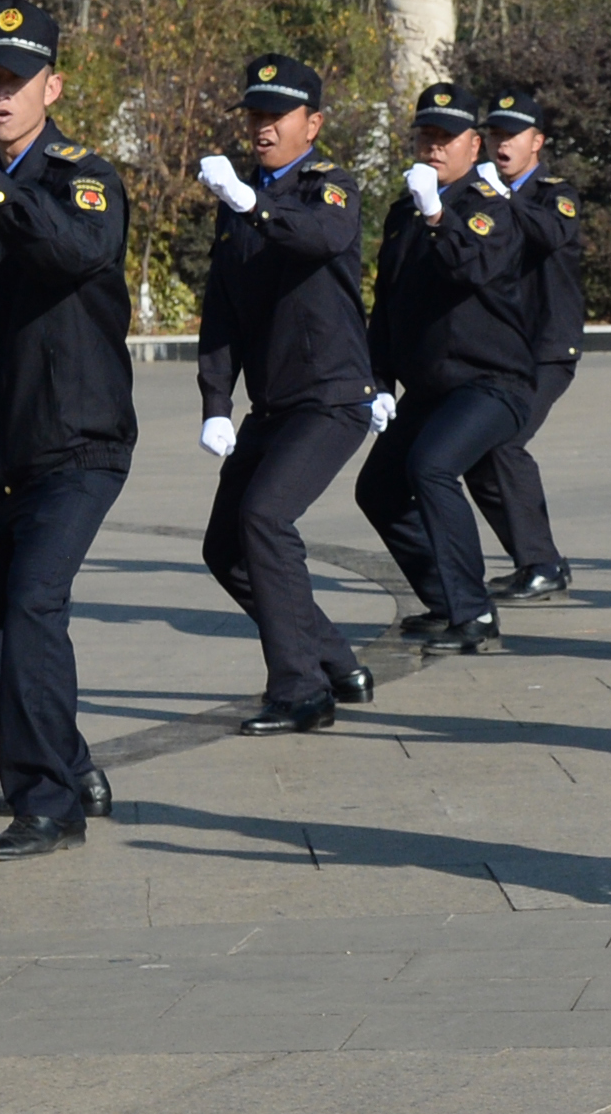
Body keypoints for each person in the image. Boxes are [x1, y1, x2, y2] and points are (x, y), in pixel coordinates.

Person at [0, 0, 134, 859]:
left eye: (15, 79)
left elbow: (71, 255)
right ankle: (71, 763)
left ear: (53, 84)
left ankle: (48, 803)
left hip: (79, 442)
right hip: (7, 448)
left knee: (33, 604)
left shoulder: (82, 177)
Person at [191, 55, 378, 734]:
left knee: (266, 519)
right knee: (224, 547)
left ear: (314, 123)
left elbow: (321, 239)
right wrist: (216, 401)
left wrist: (251, 203)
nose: (262, 128)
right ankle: (331, 657)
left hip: (331, 397)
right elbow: (223, 313)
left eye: (277, 116)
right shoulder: (237, 206)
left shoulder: (331, 187)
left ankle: (300, 688)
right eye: (255, 115)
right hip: (272, 405)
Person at [352, 80, 538, 654]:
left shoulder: (489, 207)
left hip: (492, 381)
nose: (434, 147)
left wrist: (438, 214)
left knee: (431, 466)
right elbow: (388, 305)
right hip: (431, 387)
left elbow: (472, 271)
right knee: (378, 489)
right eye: (426, 135)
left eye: (447, 137)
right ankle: (445, 598)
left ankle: (474, 614)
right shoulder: (401, 212)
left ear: (474, 145)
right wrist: (377, 383)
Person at [464, 90, 587, 603]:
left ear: (537, 142)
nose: (501, 144)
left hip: (547, 349)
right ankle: (536, 559)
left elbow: (551, 234)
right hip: (500, 350)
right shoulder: (482, 192)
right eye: (494, 134)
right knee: (475, 454)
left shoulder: (554, 194)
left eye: (511, 135)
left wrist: (505, 198)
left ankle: (541, 562)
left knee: (504, 444)